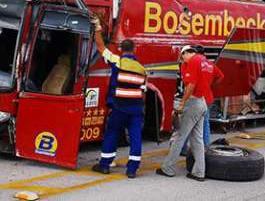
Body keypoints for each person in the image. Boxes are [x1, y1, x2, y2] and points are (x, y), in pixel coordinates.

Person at [90, 18, 147, 178]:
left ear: (121, 49)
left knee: (112, 132)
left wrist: (97, 29)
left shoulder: (118, 61)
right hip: (136, 109)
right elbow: (143, 91)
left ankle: (105, 165)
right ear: (134, 50)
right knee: (135, 136)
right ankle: (132, 170)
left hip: (119, 107)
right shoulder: (142, 69)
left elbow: (101, 48)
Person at [156, 45, 223, 181]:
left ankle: (168, 168)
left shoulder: (193, 62)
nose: (182, 60)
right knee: (197, 139)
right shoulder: (206, 62)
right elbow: (220, 76)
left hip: (193, 102)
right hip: (203, 102)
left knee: (180, 136)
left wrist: (182, 103)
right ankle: (199, 172)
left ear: (186, 53)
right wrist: (207, 87)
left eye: (182, 57)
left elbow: (191, 84)